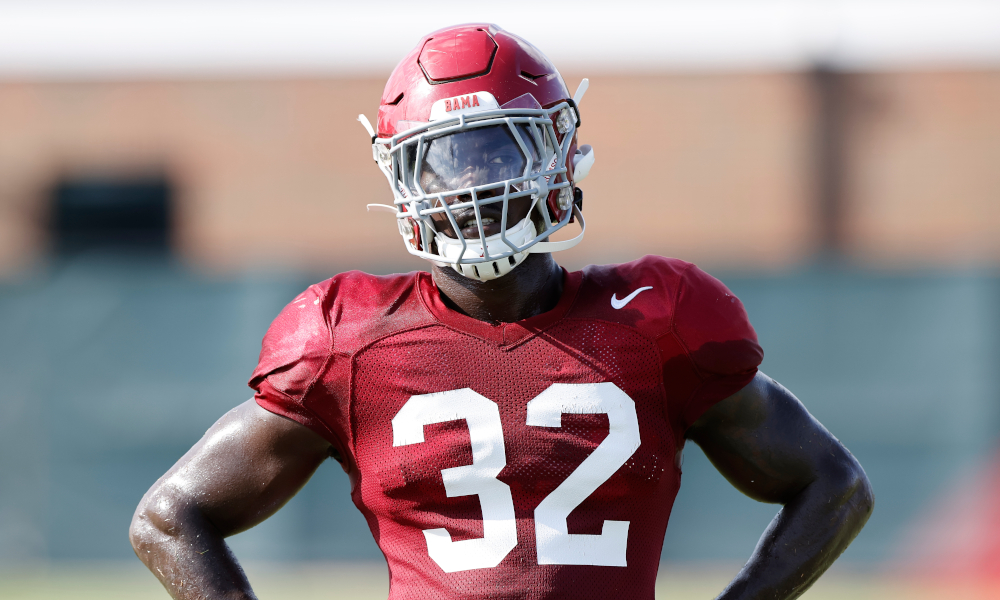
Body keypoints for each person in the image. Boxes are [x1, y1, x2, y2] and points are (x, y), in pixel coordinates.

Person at [130, 23, 873, 600]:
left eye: (495, 153)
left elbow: (833, 487)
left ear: (556, 151)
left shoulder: (658, 321)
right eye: (443, 163)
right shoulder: (346, 340)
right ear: (401, 179)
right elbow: (168, 516)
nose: (471, 187)